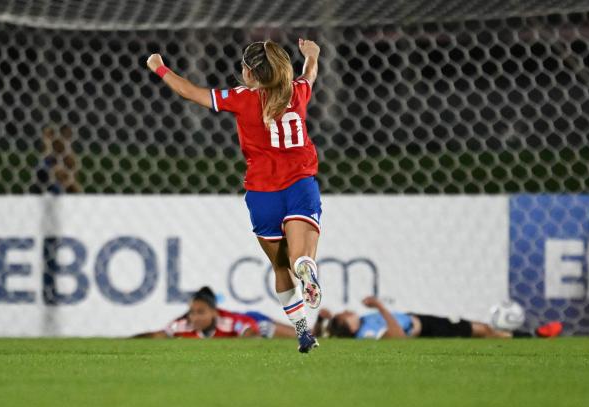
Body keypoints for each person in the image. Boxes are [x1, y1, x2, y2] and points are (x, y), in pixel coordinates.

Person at [146, 39, 323, 353]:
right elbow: (309, 74)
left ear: (250, 74)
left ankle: (302, 332)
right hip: (300, 184)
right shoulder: (298, 92)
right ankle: (306, 268)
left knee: (280, 268)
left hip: (262, 193)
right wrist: (312, 54)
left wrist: (158, 66)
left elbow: (189, 90)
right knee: (299, 257)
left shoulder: (241, 98)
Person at [316, 296, 563, 339]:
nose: (349, 312)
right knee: (484, 331)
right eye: (345, 315)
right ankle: (532, 337)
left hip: (421, 319)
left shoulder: (348, 330)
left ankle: (530, 336)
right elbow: (398, 338)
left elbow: (321, 336)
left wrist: (320, 320)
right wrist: (380, 306)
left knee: (484, 332)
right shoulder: (367, 333)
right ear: (347, 324)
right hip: (428, 329)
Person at [134, 286, 296, 339]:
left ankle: (309, 333)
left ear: (214, 312)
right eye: (192, 312)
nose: (195, 317)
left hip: (252, 319)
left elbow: (249, 330)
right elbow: (159, 335)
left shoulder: (229, 322)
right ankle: (319, 329)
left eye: (201, 312)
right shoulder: (183, 324)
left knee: (264, 329)